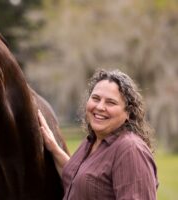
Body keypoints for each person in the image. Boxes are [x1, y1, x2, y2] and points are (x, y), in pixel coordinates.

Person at [38, 69, 158, 200]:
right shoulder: (91, 141)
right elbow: (78, 180)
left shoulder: (130, 149)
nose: (100, 107)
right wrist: (54, 148)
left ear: (128, 113)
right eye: (96, 98)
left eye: (111, 102)